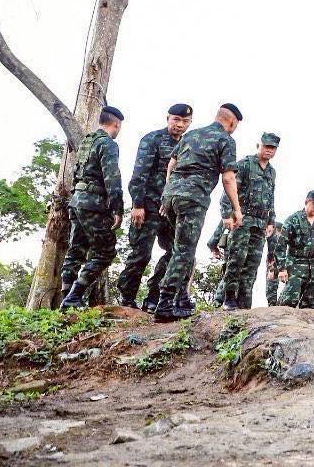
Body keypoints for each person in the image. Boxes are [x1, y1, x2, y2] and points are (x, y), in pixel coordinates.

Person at [155, 104, 243, 322]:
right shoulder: (226, 140)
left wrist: (168, 191)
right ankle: (164, 302)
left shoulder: (191, 134)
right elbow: (228, 178)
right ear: (232, 122)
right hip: (193, 199)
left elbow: (172, 164)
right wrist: (237, 209)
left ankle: (182, 298)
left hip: (172, 197)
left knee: (182, 247)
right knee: (184, 250)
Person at [116, 103, 191, 310]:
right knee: (141, 254)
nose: (180, 125)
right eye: (176, 120)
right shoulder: (152, 140)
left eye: (185, 121)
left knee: (176, 253)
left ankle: (153, 297)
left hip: (172, 210)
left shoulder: (188, 144)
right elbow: (139, 175)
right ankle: (127, 298)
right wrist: (137, 204)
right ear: (168, 118)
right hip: (148, 206)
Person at [59, 106, 125, 309]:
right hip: (93, 204)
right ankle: (74, 297)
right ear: (117, 124)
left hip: (76, 201)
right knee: (105, 252)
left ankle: (65, 299)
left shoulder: (87, 142)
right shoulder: (108, 144)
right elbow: (112, 177)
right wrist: (117, 209)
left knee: (76, 250)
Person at [220, 132, 279, 309]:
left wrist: (271, 221)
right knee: (236, 259)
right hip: (242, 219)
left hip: (260, 223)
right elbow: (229, 190)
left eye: (272, 148)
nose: (269, 150)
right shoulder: (244, 165)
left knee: (252, 263)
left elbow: (271, 197)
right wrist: (227, 215)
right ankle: (229, 297)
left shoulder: (271, 172)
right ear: (258, 145)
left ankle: (245, 301)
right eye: (266, 146)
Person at [278, 190, 314, 308]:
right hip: (296, 267)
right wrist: (282, 269)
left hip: (313, 269)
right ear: (307, 201)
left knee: (309, 307)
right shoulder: (293, 219)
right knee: (288, 303)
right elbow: (281, 245)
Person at [264, 223, 284, 306]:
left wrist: (271, 269)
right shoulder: (282, 238)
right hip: (281, 266)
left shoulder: (274, 238)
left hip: (275, 267)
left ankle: (273, 305)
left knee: (271, 287)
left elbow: (271, 255)